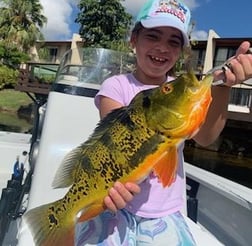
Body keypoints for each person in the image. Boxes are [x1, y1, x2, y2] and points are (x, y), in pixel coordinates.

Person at [75, 0, 252, 245]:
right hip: (113, 203)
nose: (162, 47)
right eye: (153, 36)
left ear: (180, 52)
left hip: (166, 212)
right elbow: (114, 143)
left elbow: (205, 137)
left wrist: (224, 85)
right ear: (133, 40)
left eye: (173, 42)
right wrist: (106, 193)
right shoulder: (116, 86)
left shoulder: (181, 90)